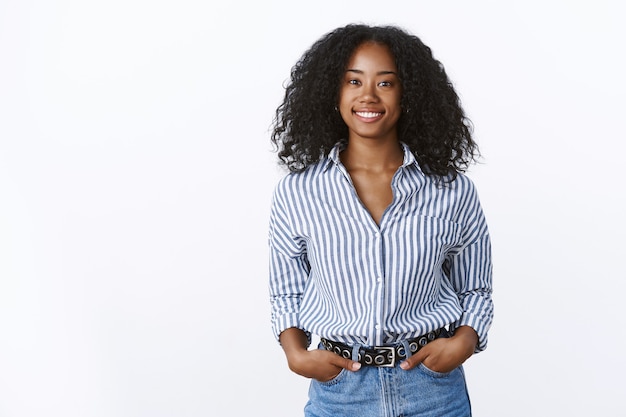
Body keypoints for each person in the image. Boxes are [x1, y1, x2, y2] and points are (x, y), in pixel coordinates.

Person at [268, 23, 493, 417]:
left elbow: (476, 287)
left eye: (385, 83)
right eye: (353, 81)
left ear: (409, 94)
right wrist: (295, 353)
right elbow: (286, 291)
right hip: (341, 392)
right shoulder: (297, 193)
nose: (367, 95)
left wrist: (464, 341)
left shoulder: (451, 190)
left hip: (432, 390)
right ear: (332, 92)